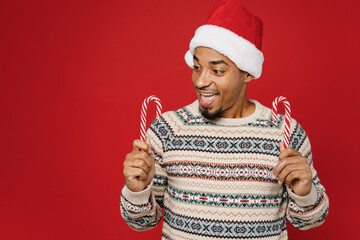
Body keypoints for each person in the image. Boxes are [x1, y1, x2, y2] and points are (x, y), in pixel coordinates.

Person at [120, 0, 329, 239]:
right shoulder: (168, 129)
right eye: (196, 67)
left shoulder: (285, 134)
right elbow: (142, 223)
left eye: (217, 71)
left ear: (247, 72)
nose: (200, 81)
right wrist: (137, 191)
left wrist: (305, 192)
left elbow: (311, 221)